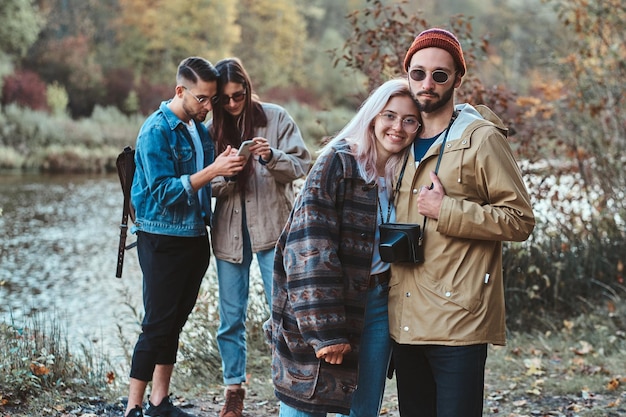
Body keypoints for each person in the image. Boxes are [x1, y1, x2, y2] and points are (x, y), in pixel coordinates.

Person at [388, 28, 536, 417]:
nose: (427, 83)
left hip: (458, 321)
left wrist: (447, 210)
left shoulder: (481, 139)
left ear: (457, 78)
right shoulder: (396, 138)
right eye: (418, 73)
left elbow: (520, 220)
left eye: (440, 74)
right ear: (407, 75)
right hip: (404, 321)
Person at [266, 78, 422, 417]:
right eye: (390, 116)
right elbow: (309, 249)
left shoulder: (405, 174)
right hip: (322, 308)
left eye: (410, 120)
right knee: (304, 404)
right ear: (372, 116)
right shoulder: (337, 162)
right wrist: (327, 331)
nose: (398, 127)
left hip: (378, 306)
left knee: (362, 408)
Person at [124, 57, 245, 417]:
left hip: (194, 237)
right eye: (202, 99)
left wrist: (227, 171)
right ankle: (132, 408)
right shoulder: (155, 130)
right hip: (161, 239)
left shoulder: (198, 128)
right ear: (180, 91)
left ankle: (159, 402)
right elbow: (163, 192)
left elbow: (199, 187)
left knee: (175, 322)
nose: (209, 107)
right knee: (156, 324)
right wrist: (213, 170)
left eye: (212, 99)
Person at [206, 57, 312, 417]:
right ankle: (233, 390)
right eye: (225, 99)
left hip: (274, 231)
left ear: (248, 89)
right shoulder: (210, 129)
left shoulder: (277, 117)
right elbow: (207, 184)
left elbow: (302, 165)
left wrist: (272, 156)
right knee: (230, 318)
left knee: (283, 314)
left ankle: (289, 387)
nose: (233, 104)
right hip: (230, 235)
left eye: (239, 95)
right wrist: (227, 175)